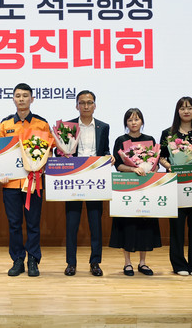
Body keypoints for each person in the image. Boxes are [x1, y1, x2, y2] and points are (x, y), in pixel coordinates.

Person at [0, 83, 52, 277]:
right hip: (10, 183)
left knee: (33, 224)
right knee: (14, 224)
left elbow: (49, 151)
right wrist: (0, 173)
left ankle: (33, 260)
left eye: (25, 95)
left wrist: (41, 166)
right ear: (13, 98)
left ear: (32, 99)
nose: (21, 99)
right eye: (18, 95)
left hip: (34, 183)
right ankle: (18, 260)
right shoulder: (5, 124)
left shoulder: (41, 124)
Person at [159, 96, 192, 276]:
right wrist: (170, 166)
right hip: (176, 185)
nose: (186, 111)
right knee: (176, 227)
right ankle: (179, 265)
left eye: (189, 107)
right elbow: (161, 158)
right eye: (182, 108)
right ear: (178, 111)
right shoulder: (168, 133)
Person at [63, 90, 110, 277]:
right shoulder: (68, 126)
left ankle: (95, 263)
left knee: (95, 224)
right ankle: (71, 263)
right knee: (71, 224)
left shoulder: (103, 127)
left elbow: (105, 150)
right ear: (76, 106)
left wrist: (109, 157)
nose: (86, 106)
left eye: (89, 102)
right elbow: (61, 151)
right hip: (74, 179)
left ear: (95, 106)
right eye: (82, 103)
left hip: (95, 179)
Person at [111, 108, 162, 277]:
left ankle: (142, 263)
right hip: (127, 188)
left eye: (137, 119)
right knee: (127, 224)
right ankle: (127, 263)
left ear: (142, 121)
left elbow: (156, 164)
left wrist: (150, 168)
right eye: (130, 120)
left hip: (145, 188)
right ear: (126, 123)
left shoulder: (149, 140)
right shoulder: (121, 140)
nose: (133, 123)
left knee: (144, 224)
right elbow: (118, 165)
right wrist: (134, 169)